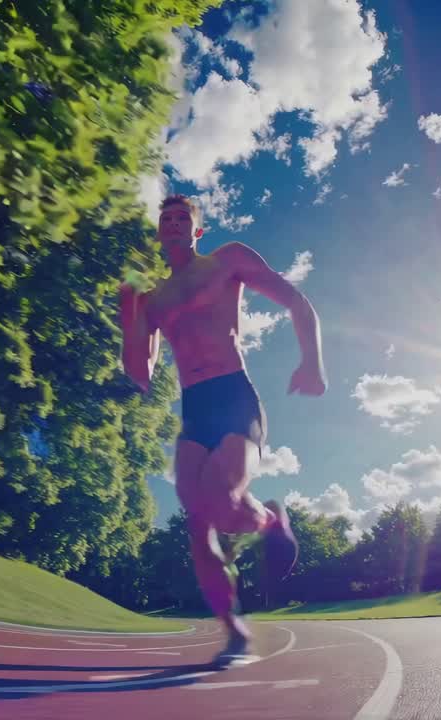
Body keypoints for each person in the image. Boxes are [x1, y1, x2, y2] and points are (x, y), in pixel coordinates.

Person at [119, 194, 327, 660]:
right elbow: (140, 372)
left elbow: (294, 298)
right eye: (165, 219)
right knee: (198, 521)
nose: (172, 224)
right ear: (159, 233)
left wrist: (311, 361)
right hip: (195, 410)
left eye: (182, 219)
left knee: (221, 497)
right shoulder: (153, 300)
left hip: (235, 398)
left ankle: (268, 520)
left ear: (196, 230)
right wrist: (127, 311)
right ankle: (234, 630)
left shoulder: (226, 261)